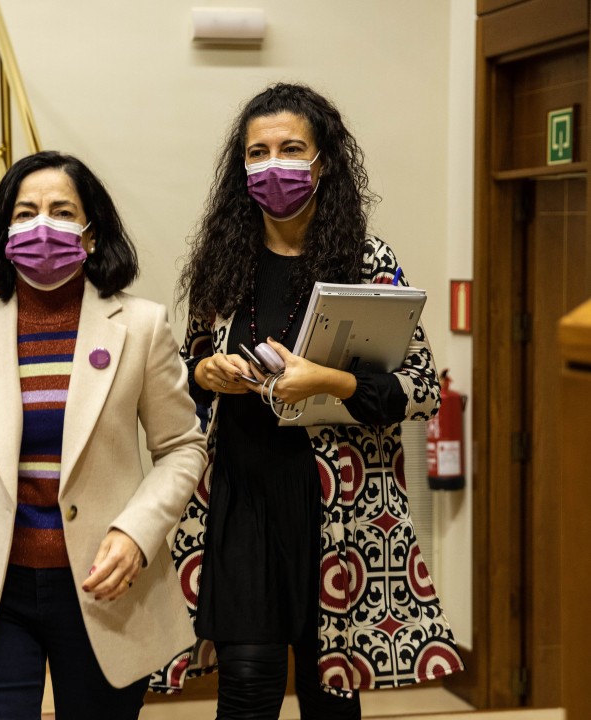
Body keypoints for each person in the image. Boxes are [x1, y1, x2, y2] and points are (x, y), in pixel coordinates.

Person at [160, 83, 464, 719]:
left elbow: (421, 390)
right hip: (240, 497)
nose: (274, 165)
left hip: (336, 507)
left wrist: (329, 381)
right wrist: (206, 372)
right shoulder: (222, 262)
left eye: (291, 149)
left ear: (324, 162)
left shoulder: (368, 262)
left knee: (330, 696)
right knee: (247, 688)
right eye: (258, 152)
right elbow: (184, 374)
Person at [0, 150, 207, 720]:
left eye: (62, 212)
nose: (43, 225)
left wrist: (137, 532)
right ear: (5, 231)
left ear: (91, 234)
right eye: (26, 212)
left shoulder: (142, 325)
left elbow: (182, 448)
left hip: (104, 587)